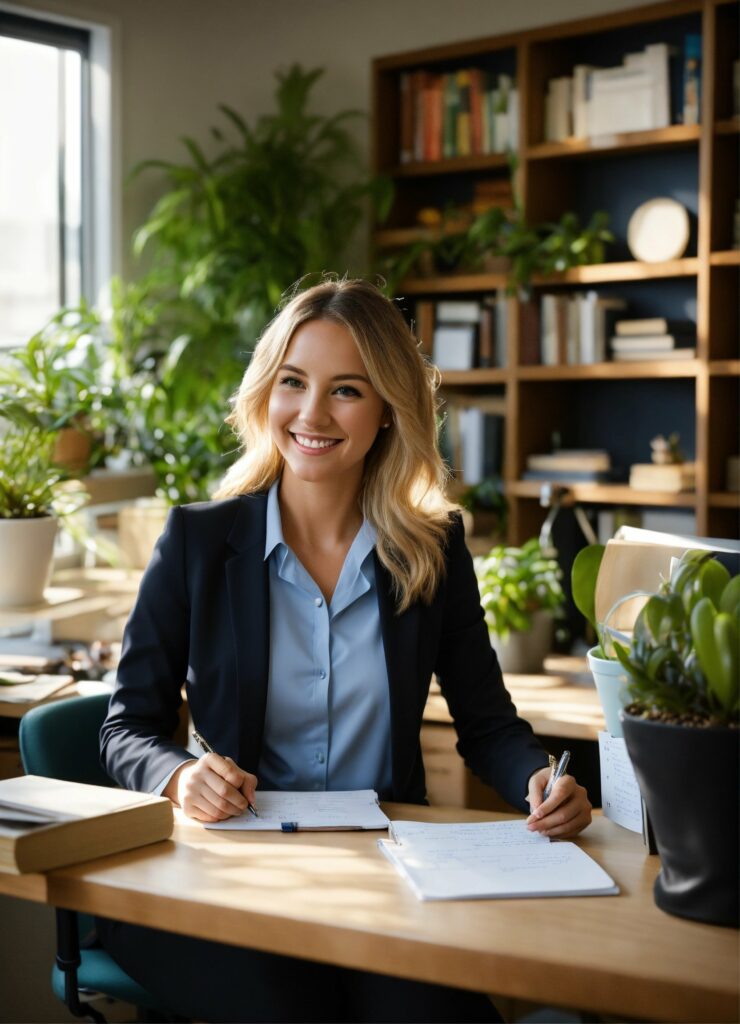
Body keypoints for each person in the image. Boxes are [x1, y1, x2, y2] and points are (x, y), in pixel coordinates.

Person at [98, 277, 592, 1023]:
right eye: (293, 382)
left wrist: (539, 782)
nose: (312, 414)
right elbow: (125, 728)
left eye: (347, 391)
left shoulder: (432, 551)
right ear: (267, 391)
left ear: (389, 409)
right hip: (236, 876)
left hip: (391, 877)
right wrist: (180, 776)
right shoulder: (198, 543)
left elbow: (488, 726)